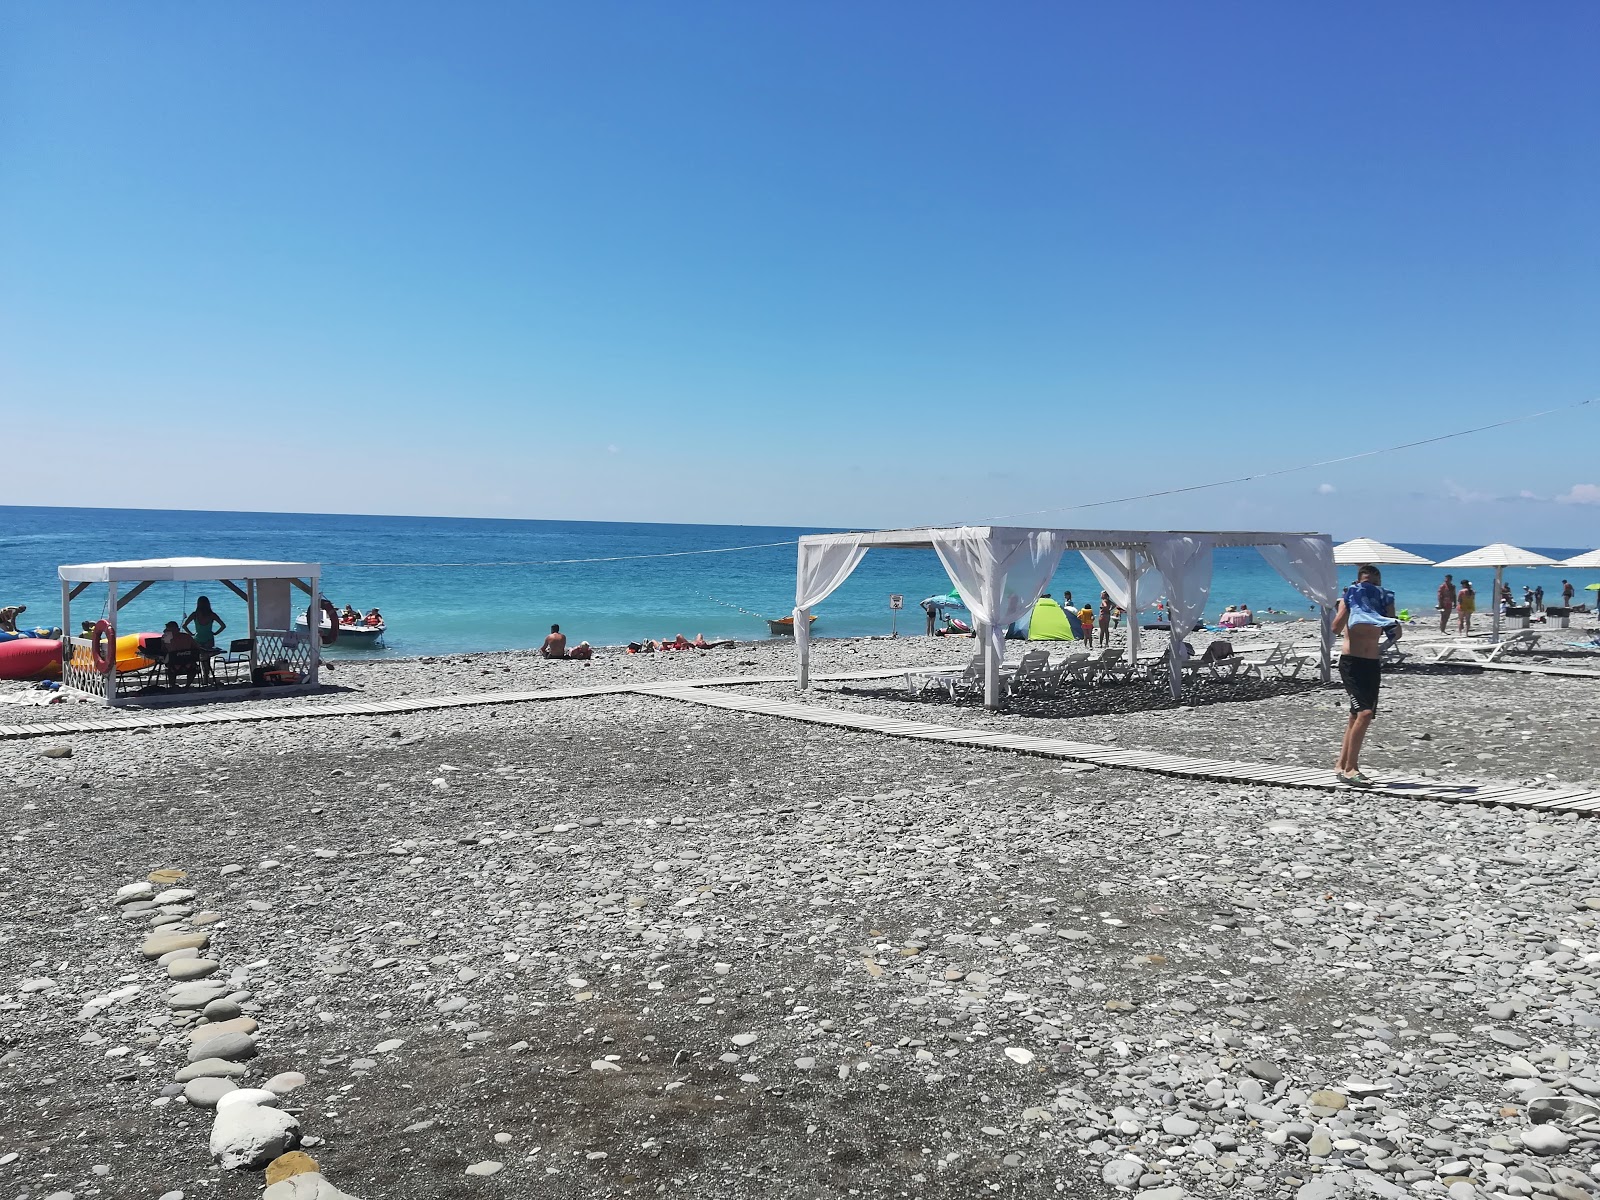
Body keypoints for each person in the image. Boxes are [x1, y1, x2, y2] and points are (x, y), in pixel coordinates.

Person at [1332, 565, 1399, 787]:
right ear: (1358, 583)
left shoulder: (1381, 604)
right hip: (1352, 664)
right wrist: (1348, 604)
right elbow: (1335, 628)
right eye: (1366, 582)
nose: (1370, 586)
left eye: (1374, 582)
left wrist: (1390, 614)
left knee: (1355, 716)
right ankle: (1352, 769)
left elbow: (1395, 634)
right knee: (1365, 713)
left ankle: (1340, 765)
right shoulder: (1350, 600)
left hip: (1372, 664)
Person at [183, 596, 226, 684]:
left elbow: (184, 626)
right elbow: (223, 625)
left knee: (198, 658)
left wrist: (191, 634)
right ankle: (205, 679)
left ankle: (200, 678)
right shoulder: (212, 614)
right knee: (206, 660)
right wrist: (215, 633)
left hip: (198, 639)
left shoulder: (195, 614)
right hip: (209, 639)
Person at [161, 621, 201, 688]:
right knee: (193, 665)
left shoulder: (166, 638)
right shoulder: (187, 636)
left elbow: (163, 650)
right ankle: (187, 685)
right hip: (188, 665)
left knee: (169, 664)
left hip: (174, 666)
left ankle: (172, 685)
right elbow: (196, 648)